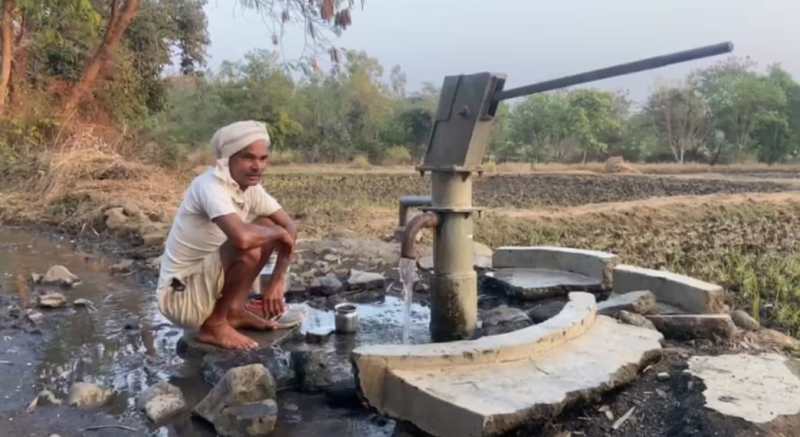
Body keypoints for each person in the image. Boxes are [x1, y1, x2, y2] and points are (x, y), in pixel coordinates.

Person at [156, 120, 297, 350]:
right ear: (227, 159)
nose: (257, 166)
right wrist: (278, 234)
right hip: (177, 293)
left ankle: (233, 310)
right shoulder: (209, 186)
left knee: (266, 223)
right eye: (248, 158)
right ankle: (214, 325)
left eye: (263, 158)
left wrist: (277, 280)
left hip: (202, 283)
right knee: (249, 244)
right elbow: (242, 239)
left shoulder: (251, 189)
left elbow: (289, 227)